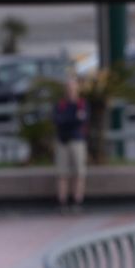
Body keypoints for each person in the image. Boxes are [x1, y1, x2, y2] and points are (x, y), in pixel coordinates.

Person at [52, 77, 89, 212]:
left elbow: (82, 120)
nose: (71, 91)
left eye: (73, 88)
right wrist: (73, 118)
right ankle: (62, 202)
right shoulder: (60, 105)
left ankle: (77, 201)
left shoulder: (82, 104)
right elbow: (58, 120)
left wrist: (68, 120)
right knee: (62, 173)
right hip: (63, 141)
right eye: (68, 88)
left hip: (77, 140)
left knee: (79, 172)